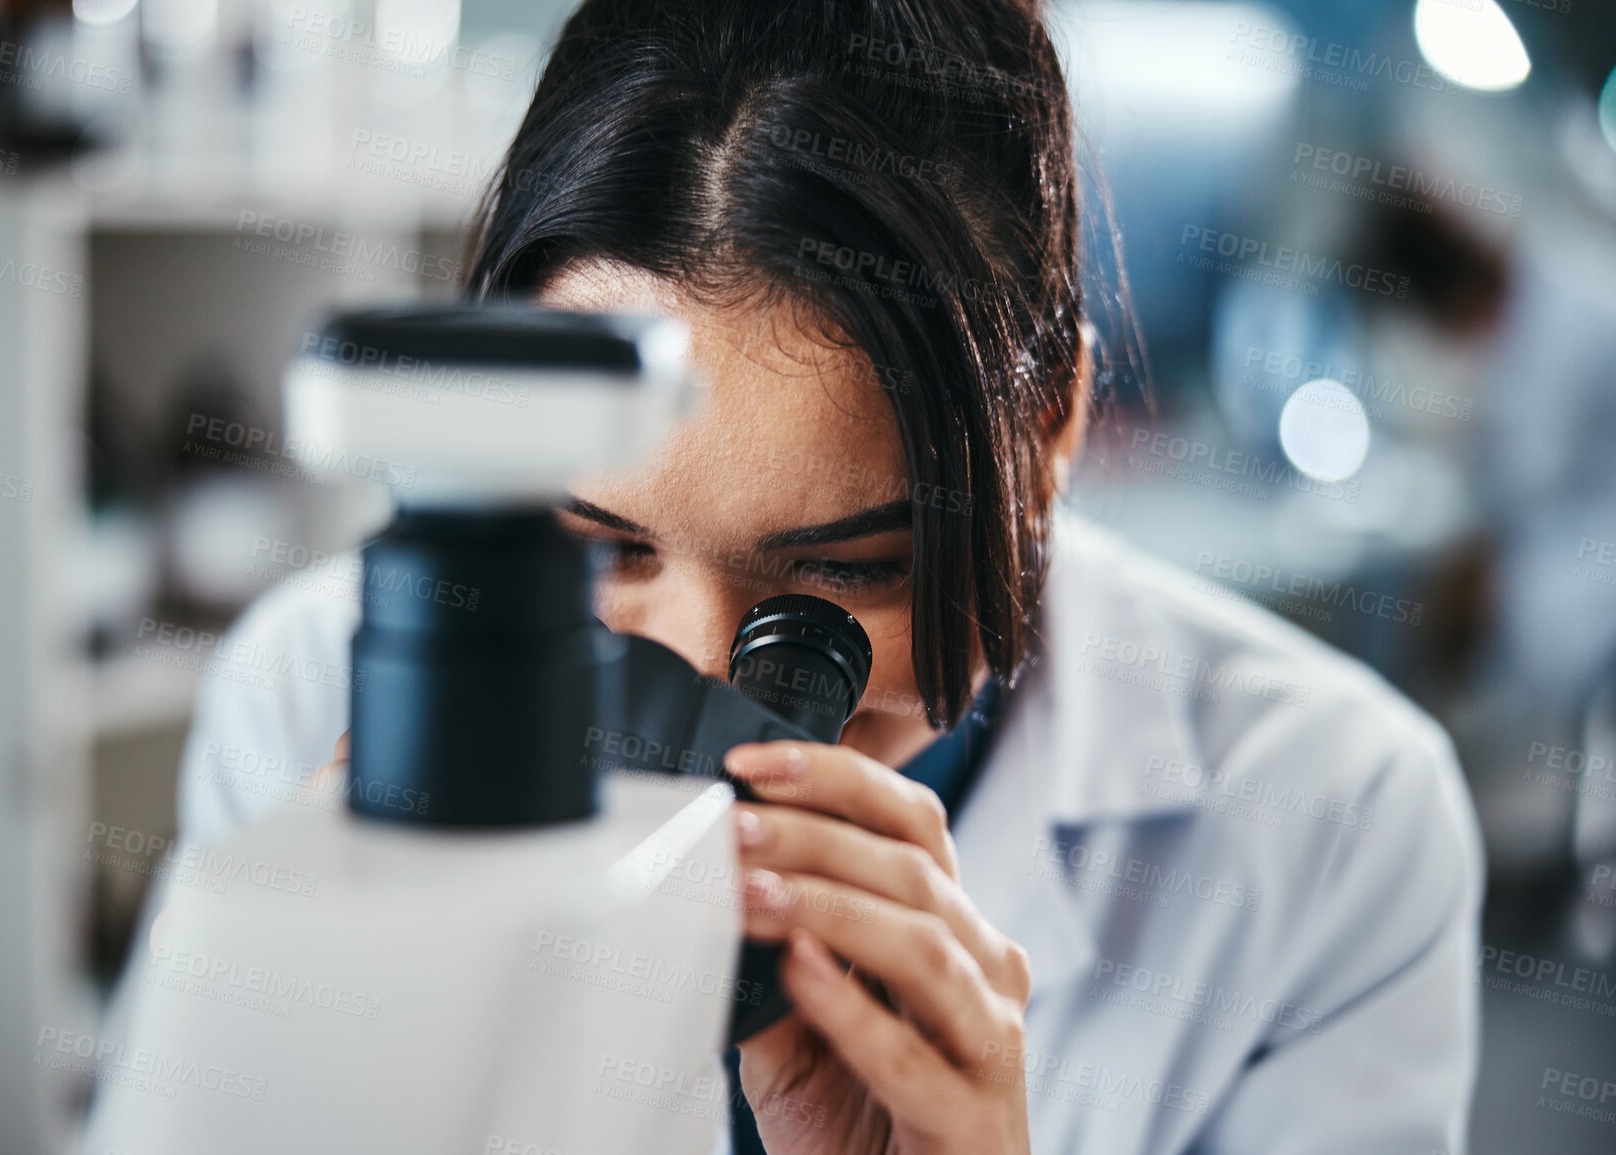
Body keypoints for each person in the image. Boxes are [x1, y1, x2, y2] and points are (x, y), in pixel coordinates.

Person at [176, 1, 1484, 1151]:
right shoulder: (306, 696)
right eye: (596, 546)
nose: (698, 679)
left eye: (839, 580)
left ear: (1056, 437)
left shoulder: (1342, 824)